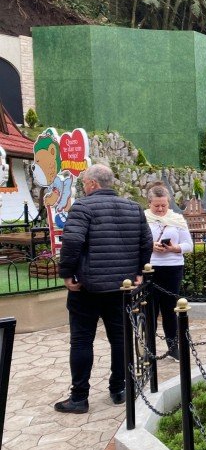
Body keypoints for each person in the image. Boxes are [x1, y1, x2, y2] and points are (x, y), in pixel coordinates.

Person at [55, 164, 152, 413]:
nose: (84, 186)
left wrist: (66, 273)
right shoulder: (134, 207)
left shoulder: (83, 206)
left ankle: (79, 398)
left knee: (81, 341)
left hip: (87, 287)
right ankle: (119, 389)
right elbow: (146, 241)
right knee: (120, 339)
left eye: (85, 182)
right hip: (123, 287)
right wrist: (139, 271)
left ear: (93, 184)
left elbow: (72, 242)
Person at [145, 183, 193, 361]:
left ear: (169, 203)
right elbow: (136, 242)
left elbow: (189, 245)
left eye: (163, 205)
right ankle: (147, 348)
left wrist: (174, 248)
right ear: (149, 203)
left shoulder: (177, 219)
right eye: (156, 205)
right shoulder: (143, 219)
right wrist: (151, 246)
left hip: (172, 268)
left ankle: (173, 347)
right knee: (149, 310)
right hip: (150, 268)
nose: (160, 209)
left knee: (170, 310)